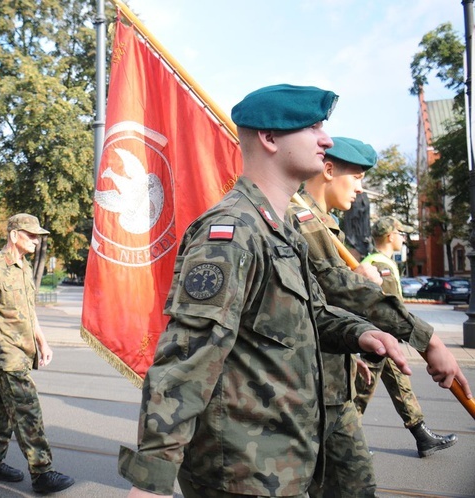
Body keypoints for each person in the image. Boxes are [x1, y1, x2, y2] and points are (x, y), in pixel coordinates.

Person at [117, 84, 438, 498]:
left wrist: (358, 332)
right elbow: (187, 357)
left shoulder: (281, 230)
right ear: (269, 138)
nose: (326, 139)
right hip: (238, 469)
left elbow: (310, 315)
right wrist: (151, 480)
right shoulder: (232, 232)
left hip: (280, 459)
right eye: (312, 127)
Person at [286, 137, 469, 496]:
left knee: (355, 487)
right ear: (328, 170)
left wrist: (351, 350)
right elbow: (337, 289)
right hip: (306, 388)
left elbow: (323, 304)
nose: (359, 189)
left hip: (331, 380)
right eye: (356, 177)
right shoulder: (302, 217)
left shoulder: (326, 224)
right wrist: (427, 339)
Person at [0, 213, 75, 495]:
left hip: (23, 350)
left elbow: (29, 312)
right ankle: (42, 472)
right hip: (5, 352)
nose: (37, 240)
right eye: (31, 235)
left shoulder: (24, 267)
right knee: (27, 410)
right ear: (14, 235)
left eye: (38, 236)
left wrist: (43, 342)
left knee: (0, 409)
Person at [355, 216, 457, 457]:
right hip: (380, 339)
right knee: (358, 393)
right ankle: (341, 440)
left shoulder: (375, 260)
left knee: (400, 386)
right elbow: (390, 309)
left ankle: (421, 435)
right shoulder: (382, 265)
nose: (403, 238)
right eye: (400, 234)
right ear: (390, 237)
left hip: (380, 339)